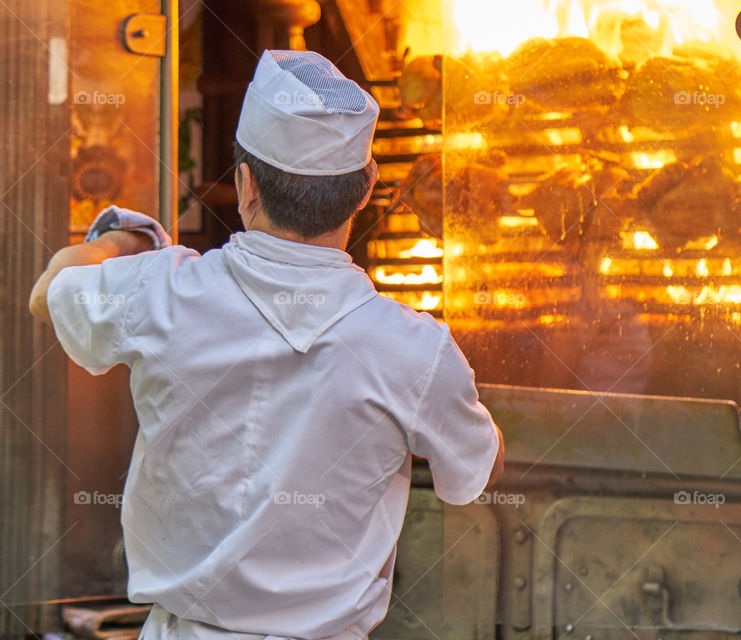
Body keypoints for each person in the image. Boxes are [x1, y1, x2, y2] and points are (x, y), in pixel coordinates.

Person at [29, 50, 504, 640]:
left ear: (245, 184)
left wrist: (125, 243)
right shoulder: (414, 348)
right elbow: (475, 474)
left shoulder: (160, 291)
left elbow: (48, 291)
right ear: (364, 191)